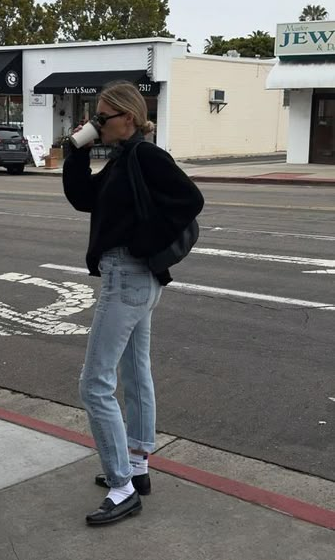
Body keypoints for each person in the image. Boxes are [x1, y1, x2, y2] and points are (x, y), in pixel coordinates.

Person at [62, 81, 204, 526]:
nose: (96, 124)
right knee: (133, 370)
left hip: (129, 277)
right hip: (133, 279)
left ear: (127, 117)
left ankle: (122, 486)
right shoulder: (124, 159)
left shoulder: (145, 156)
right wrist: (76, 150)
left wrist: (145, 244)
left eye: (102, 118)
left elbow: (191, 200)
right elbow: (84, 199)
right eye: (94, 118)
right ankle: (138, 466)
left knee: (94, 383)